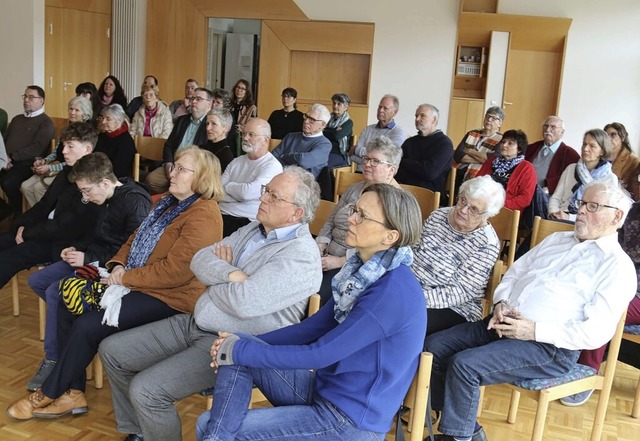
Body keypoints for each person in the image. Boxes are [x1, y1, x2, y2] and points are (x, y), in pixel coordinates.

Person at [98, 167, 323, 441]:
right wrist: (231, 273)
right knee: (112, 350)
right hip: (197, 321)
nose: (263, 199)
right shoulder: (255, 229)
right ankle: (142, 431)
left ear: (296, 213)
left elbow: (244, 303)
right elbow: (199, 259)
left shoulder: (300, 257)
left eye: (274, 197)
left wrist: (215, 278)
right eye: (266, 191)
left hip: (232, 344)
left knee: (147, 390)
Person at [7, 146, 224, 421]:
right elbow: (133, 239)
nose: (172, 171)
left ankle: (49, 392)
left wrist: (125, 277)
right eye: (175, 165)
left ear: (202, 177)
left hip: (172, 298)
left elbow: (176, 273)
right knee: (65, 299)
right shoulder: (167, 202)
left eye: (181, 168)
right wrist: (118, 264)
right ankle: (73, 392)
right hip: (139, 283)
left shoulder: (203, 214)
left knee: (88, 324)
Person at [196, 183, 426, 441]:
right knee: (240, 344)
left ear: (390, 237)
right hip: (328, 393)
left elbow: (320, 354)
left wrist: (237, 349)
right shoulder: (360, 274)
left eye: (362, 215)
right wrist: (234, 344)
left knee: (209, 421)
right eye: (354, 209)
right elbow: (311, 328)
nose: (349, 218)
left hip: (350, 421)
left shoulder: (391, 292)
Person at [424, 180, 636, 441]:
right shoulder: (557, 239)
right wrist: (501, 303)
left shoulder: (616, 267)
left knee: (465, 365)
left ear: (617, 216)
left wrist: (533, 330)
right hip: (503, 322)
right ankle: (465, 428)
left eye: (593, 206)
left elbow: (596, 332)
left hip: (548, 347)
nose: (581, 211)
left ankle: (459, 436)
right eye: (582, 203)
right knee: (435, 345)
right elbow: (513, 275)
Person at [25, 152, 152, 391]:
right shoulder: (102, 197)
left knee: (57, 292)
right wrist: (76, 249)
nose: (84, 197)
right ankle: (74, 330)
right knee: (38, 281)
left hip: (111, 268)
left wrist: (88, 257)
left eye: (86, 191)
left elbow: (135, 253)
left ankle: (55, 358)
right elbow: (94, 236)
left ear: (105, 183)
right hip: (92, 259)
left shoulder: (134, 202)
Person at [0, 123, 100, 292]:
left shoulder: (90, 181)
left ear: (87, 149)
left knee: (8, 258)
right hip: (44, 232)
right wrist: (20, 225)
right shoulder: (66, 171)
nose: (64, 151)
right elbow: (43, 205)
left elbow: (64, 226)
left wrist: (28, 233)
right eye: (64, 146)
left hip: (63, 243)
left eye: (70, 146)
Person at [413, 175, 504, 336]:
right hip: (411, 288)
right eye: (462, 201)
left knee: (403, 320)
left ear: (486, 214)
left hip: (453, 307)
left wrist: (414, 298)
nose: (463, 210)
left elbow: (460, 291)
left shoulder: (487, 244)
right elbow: (412, 251)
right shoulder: (439, 216)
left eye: (474, 209)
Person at [316, 136, 402, 304]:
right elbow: (331, 219)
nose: (367, 164)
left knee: (316, 295)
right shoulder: (355, 188)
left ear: (391, 170)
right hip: (326, 253)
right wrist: (321, 243)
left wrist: (339, 261)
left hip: (354, 265)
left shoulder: (394, 202)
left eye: (375, 161)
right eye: (366, 159)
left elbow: (380, 248)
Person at [21, 96, 93, 208]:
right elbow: (56, 151)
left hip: (69, 170)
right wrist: (45, 160)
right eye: (71, 109)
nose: (72, 112)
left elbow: (77, 162)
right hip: (55, 165)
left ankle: (48, 215)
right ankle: (38, 215)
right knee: (25, 186)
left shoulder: (86, 133)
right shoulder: (67, 129)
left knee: (38, 188)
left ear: (85, 115)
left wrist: (50, 168)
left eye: (77, 110)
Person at [219, 118, 282, 237]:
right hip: (220, 214)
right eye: (244, 133)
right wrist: (238, 196)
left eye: (251, 134)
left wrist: (228, 187)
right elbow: (217, 192)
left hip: (246, 223)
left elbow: (246, 193)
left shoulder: (272, 166)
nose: (245, 138)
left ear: (265, 140)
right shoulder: (236, 162)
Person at [0, 85, 55, 220]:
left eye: (31, 97)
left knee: (7, 182)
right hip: (8, 160)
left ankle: (18, 212)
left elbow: (37, 148)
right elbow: (4, 140)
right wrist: (4, 158)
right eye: (25, 96)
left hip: (28, 162)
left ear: (41, 100)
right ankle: (5, 208)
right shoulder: (17, 119)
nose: (26, 100)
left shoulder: (45, 122)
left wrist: (12, 157)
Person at [145, 87, 212, 194]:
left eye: (199, 99)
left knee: (185, 186)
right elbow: (168, 145)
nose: (194, 101)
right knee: (151, 180)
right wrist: (168, 163)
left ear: (209, 104)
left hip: (192, 169)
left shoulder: (210, 125)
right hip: (173, 164)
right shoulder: (181, 120)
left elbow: (205, 155)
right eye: (193, 98)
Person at [549, 128, 618, 221]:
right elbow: (556, 198)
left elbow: (602, 213)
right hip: (559, 218)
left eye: (592, 146)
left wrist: (569, 218)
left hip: (587, 225)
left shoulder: (609, 178)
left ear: (602, 151)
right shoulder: (571, 168)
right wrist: (554, 214)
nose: (585, 149)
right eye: (584, 144)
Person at [396, 103, 454, 200]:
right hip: (403, 192)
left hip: (429, 196)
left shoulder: (445, 144)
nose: (417, 119)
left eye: (422, 116)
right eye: (416, 116)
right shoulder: (409, 142)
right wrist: (419, 166)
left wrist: (404, 163)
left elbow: (430, 172)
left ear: (434, 120)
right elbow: (396, 166)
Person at [477, 129, 536, 212]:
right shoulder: (491, 161)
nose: (504, 145)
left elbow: (525, 199)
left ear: (519, 149)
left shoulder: (527, 168)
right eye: (503, 141)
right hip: (482, 204)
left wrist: (499, 205)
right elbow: (477, 182)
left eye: (510, 143)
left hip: (506, 210)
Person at [271, 103, 332, 178]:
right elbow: (273, 158)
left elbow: (303, 161)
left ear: (322, 125)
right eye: (306, 116)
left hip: (303, 185)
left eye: (312, 119)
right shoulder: (290, 136)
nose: (306, 121)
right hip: (280, 177)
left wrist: (285, 156)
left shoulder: (324, 144)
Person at [524, 116, 579, 196]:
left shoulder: (570, 155)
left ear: (562, 132)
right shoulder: (531, 148)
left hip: (548, 195)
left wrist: (548, 189)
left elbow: (570, 180)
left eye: (553, 127)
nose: (548, 129)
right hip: (524, 191)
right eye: (546, 126)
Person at [350, 94, 406, 171]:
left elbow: (386, 157)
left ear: (395, 112)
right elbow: (353, 156)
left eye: (385, 108)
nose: (381, 110)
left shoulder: (398, 133)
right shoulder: (367, 129)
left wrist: (357, 150)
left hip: (381, 177)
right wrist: (375, 160)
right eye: (380, 107)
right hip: (360, 172)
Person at [452, 106, 504, 184]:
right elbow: (458, 155)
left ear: (500, 123)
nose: (489, 120)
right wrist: (482, 159)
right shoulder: (472, 133)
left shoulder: (501, 139)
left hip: (482, 176)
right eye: (488, 116)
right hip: (460, 171)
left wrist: (470, 151)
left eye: (494, 118)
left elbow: (493, 160)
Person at [95, 104, 136, 178]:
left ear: (119, 120)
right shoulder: (102, 136)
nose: (103, 122)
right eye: (103, 118)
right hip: (97, 174)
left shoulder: (125, 142)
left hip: (113, 179)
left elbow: (119, 171)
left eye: (108, 119)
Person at [605, 122, 640, 200]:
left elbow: (634, 190)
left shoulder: (634, 161)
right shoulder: (600, 158)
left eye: (613, 135)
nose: (609, 138)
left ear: (622, 137)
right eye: (606, 135)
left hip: (620, 200)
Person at [323, 92, 354, 168]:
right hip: (324, 150)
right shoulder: (327, 118)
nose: (335, 106)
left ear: (346, 107)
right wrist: (334, 130)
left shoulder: (348, 122)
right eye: (334, 103)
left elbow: (337, 136)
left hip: (338, 154)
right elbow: (320, 132)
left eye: (339, 104)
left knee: (323, 166)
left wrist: (326, 130)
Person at [228, 79, 257, 154]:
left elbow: (252, 126)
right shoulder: (229, 104)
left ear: (247, 92)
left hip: (240, 137)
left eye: (243, 89)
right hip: (227, 134)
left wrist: (240, 128)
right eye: (238, 87)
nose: (239, 90)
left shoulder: (251, 107)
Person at [203, 108, 234, 173]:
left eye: (213, 124)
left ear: (225, 128)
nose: (208, 128)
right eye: (207, 123)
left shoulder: (226, 156)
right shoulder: (201, 148)